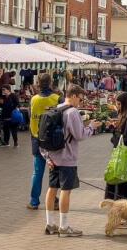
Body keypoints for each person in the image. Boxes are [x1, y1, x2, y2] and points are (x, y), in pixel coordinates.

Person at [42, 84, 102, 237]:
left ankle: (50, 224)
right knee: (65, 191)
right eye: (80, 99)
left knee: (52, 188)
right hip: (67, 158)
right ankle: (64, 226)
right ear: (74, 96)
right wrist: (92, 127)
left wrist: (47, 157)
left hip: (53, 157)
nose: (80, 102)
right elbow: (80, 135)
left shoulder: (57, 108)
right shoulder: (72, 112)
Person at [27, 73, 62, 210]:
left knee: (37, 172)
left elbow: (30, 118)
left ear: (38, 84)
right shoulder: (57, 99)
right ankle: (53, 200)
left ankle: (34, 201)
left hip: (37, 139)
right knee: (54, 172)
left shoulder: (33, 99)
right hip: (53, 141)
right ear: (51, 82)